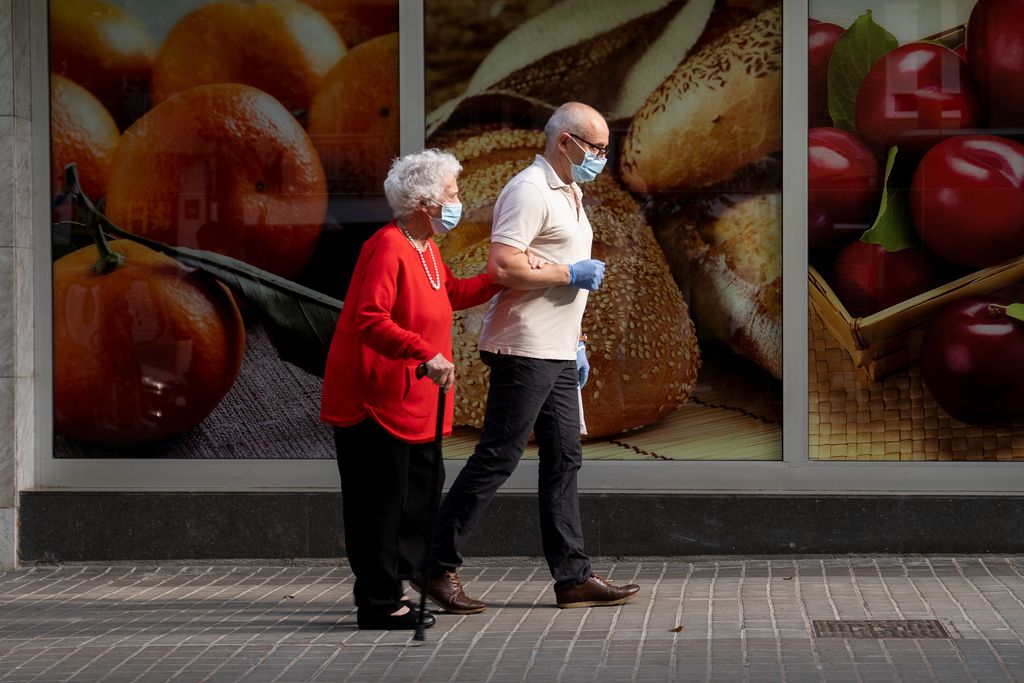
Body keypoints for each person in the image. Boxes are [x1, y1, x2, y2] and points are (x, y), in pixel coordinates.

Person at [416, 102, 641, 613]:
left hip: (558, 348)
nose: (601, 158)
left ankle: (573, 577)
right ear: (565, 142)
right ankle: (435, 564)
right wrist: (569, 275)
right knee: (498, 456)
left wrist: (577, 340)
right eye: (596, 147)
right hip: (523, 347)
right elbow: (502, 263)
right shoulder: (529, 189)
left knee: (565, 457)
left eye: (605, 149)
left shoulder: (572, 191)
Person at [320, 149, 503, 631]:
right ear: (425, 203)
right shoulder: (386, 246)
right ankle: (378, 602)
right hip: (376, 399)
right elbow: (369, 318)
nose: (458, 201)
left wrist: (496, 281)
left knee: (421, 493)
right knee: (382, 501)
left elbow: (450, 294)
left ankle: (398, 584)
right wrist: (424, 352)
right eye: (452, 194)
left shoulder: (425, 248)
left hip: (416, 398)